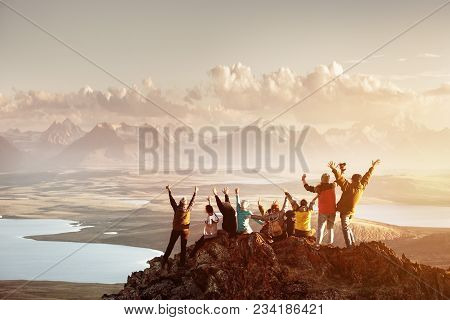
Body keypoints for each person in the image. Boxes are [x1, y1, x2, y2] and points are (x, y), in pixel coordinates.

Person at [328, 159, 381, 248]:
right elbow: (367, 176)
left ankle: (350, 246)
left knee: (345, 228)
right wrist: (373, 167)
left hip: (345, 212)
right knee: (347, 227)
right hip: (352, 212)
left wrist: (333, 168)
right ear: (359, 180)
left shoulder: (348, 187)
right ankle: (352, 244)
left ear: (352, 180)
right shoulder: (362, 187)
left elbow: (340, 178)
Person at [161, 185, 198, 268]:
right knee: (183, 247)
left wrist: (169, 191)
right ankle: (182, 264)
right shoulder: (188, 210)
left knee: (171, 244)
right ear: (185, 203)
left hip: (176, 230)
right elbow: (192, 202)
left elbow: (172, 201)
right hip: (185, 231)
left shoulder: (177, 209)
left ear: (180, 203)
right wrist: (195, 192)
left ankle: (164, 260)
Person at [302, 173, 337, 247]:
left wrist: (303, 180)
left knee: (321, 228)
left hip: (323, 211)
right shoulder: (333, 186)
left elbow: (308, 188)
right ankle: (330, 243)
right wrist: (341, 170)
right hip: (332, 211)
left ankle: (317, 244)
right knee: (330, 228)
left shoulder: (319, 188)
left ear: (322, 179)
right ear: (328, 179)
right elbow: (339, 180)